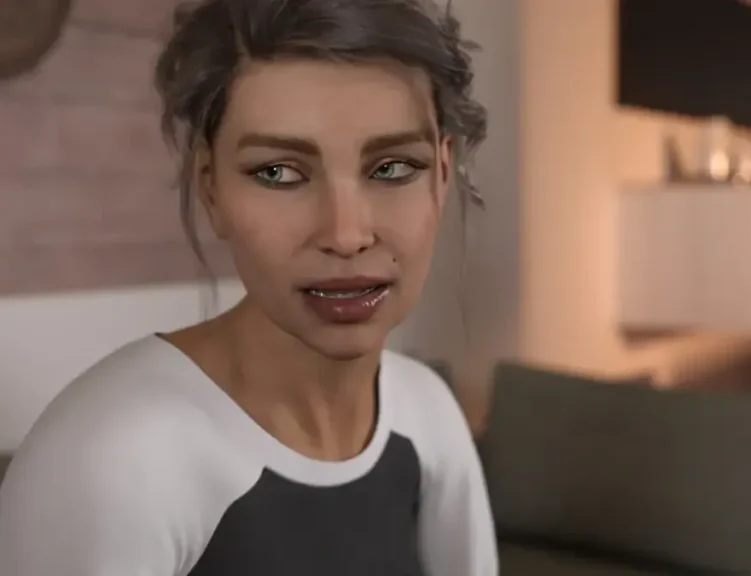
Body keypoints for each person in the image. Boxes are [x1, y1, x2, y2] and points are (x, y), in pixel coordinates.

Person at [0, 0, 496, 574]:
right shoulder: (111, 460)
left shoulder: (428, 415)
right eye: (278, 173)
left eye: (392, 168)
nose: (346, 235)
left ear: (442, 173)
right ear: (210, 189)